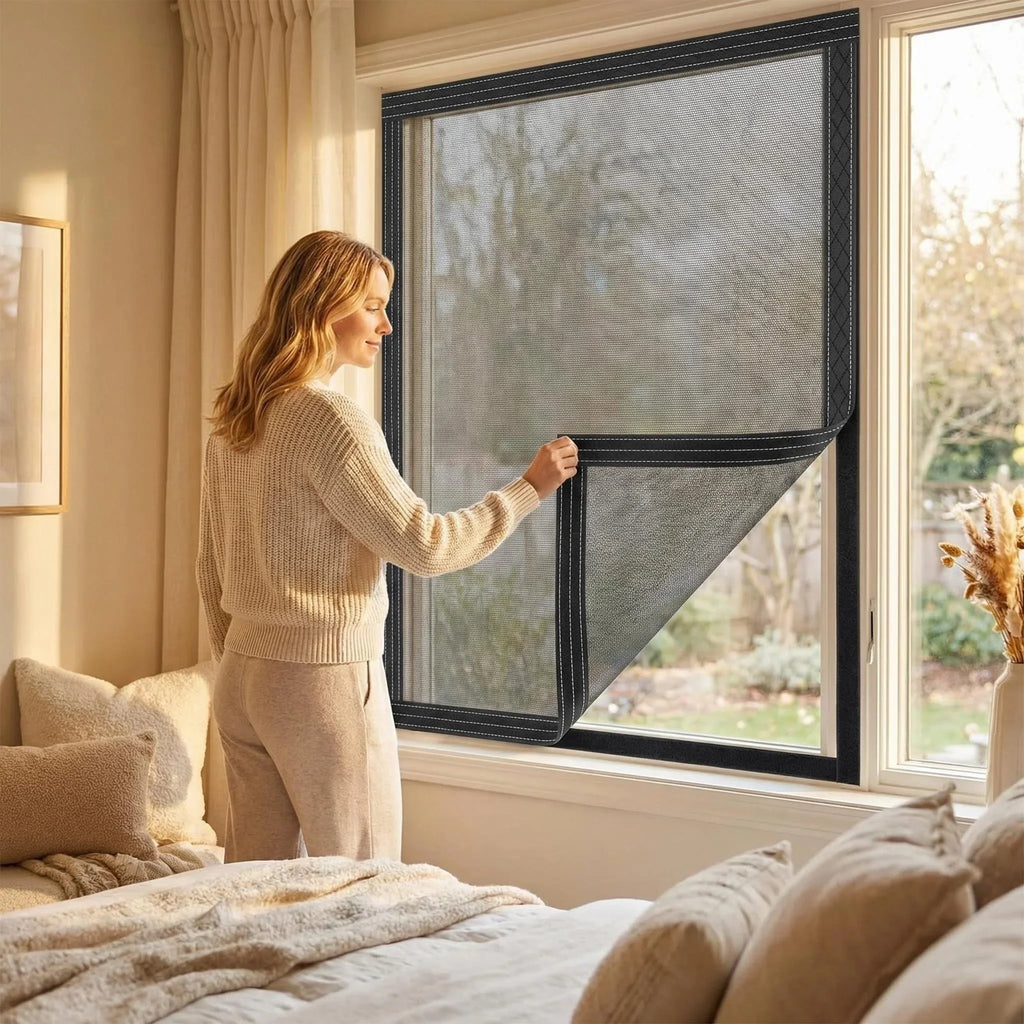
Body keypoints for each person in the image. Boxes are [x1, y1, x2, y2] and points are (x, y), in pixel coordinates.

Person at [196, 230, 578, 863]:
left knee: (257, 887)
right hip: (321, 680)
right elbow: (425, 545)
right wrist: (528, 489)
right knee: (367, 881)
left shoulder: (238, 420)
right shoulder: (327, 419)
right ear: (323, 308)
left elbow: (211, 571)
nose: (387, 325)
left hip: (242, 679)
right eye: (372, 305)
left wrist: (246, 658)